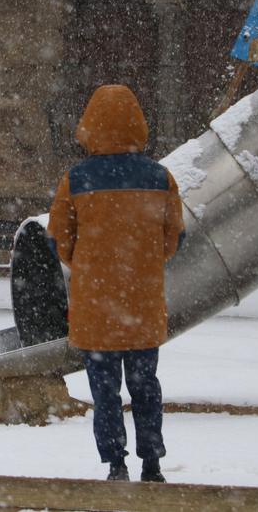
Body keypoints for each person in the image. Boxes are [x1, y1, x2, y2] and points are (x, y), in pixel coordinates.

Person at [47, 84, 185, 483]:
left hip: (95, 306)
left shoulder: (76, 180)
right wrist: (141, 265)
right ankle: (152, 462)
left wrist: (90, 267)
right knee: (146, 387)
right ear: (138, 124)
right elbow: (172, 236)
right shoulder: (160, 178)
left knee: (105, 391)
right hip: (142, 302)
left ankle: (115, 463)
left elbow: (59, 238)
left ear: (90, 125)